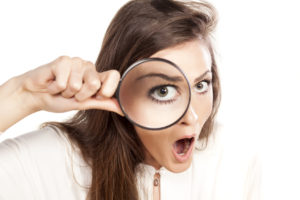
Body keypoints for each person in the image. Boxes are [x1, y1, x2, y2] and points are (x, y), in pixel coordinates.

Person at [0, 0, 261, 200]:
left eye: (201, 85)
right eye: (163, 91)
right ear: (120, 91)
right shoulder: (52, 159)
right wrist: (22, 96)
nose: (192, 117)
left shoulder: (233, 159)